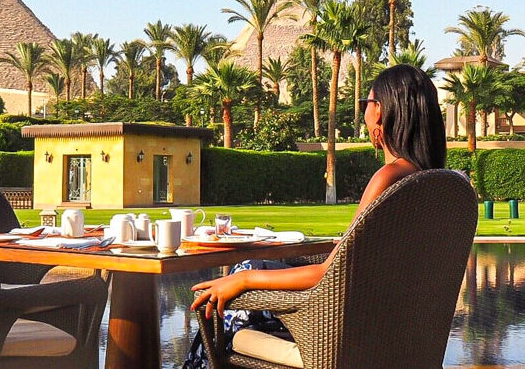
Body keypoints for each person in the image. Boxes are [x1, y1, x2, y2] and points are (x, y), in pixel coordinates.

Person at [184, 64, 447, 367]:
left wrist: (244, 279)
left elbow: (329, 274)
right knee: (247, 277)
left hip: (341, 331)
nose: (364, 110)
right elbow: (363, 264)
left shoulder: (389, 178)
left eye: (366, 102)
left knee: (226, 295)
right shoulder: (434, 183)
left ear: (381, 110)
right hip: (391, 329)